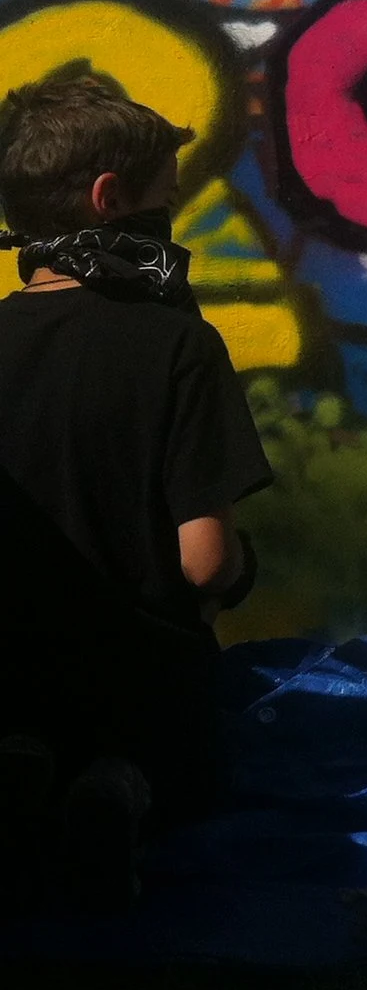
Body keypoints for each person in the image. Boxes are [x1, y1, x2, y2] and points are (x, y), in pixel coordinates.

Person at [0, 75, 269, 908]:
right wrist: (240, 572)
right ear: (111, 200)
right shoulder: (180, 344)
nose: (173, 219)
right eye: (167, 201)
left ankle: (22, 756)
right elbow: (203, 563)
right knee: (160, 746)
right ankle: (117, 786)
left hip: (10, 662)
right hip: (143, 678)